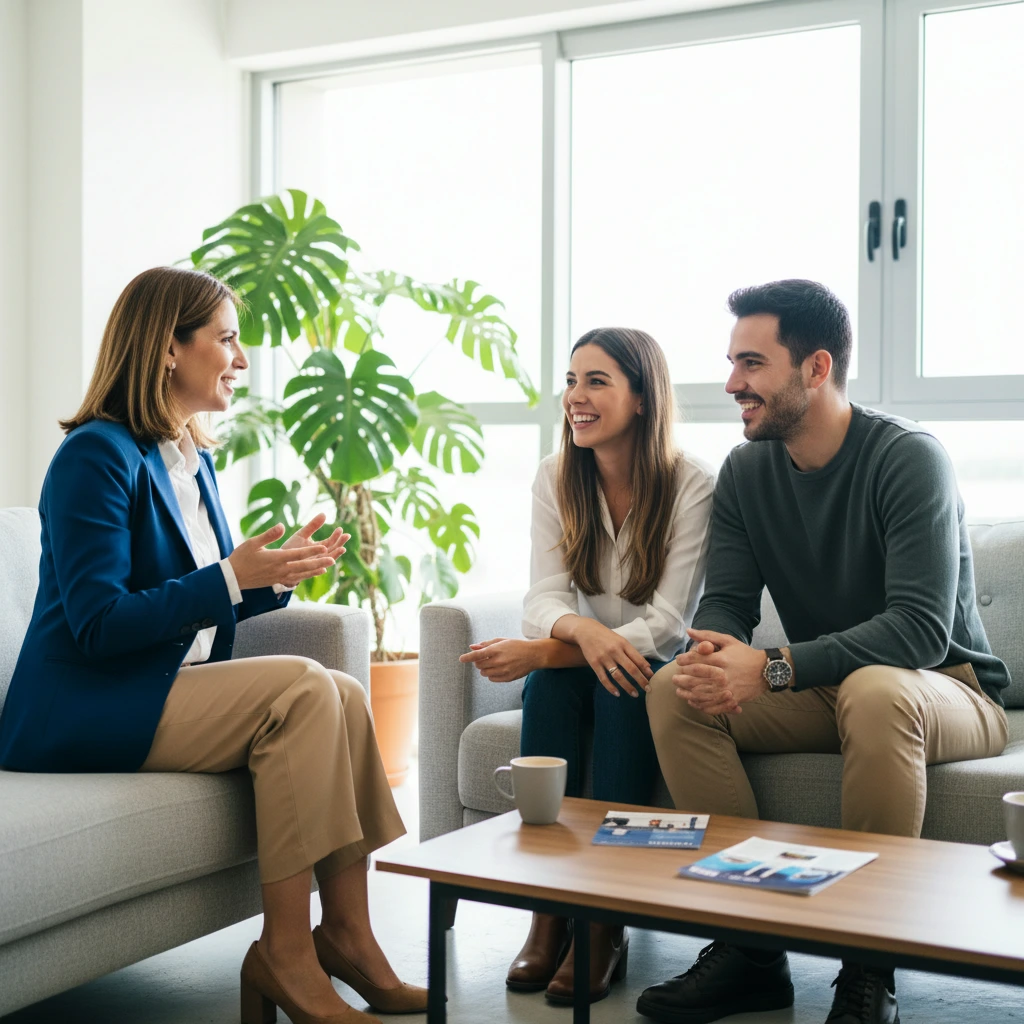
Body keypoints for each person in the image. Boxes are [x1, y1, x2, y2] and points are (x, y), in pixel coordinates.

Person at [0, 267, 427, 1024]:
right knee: (303, 687)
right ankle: (285, 955)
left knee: (345, 689)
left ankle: (350, 934)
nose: (242, 359)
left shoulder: (192, 458)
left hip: (161, 685)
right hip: (86, 703)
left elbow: (208, 593)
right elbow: (99, 622)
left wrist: (271, 575)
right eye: (226, 339)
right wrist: (231, 576)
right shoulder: (94, 457)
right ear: (169, 348)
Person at [636, 280, 1010, 1024]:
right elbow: (730, 601)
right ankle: (748, 950)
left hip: (948, 689)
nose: (733, 382)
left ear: (815, 368)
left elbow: (919, 630)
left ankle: (868, 965)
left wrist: (772, 667)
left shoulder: (907, 459)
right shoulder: (746, 472)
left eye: (752, 363)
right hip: (833, 689)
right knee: (673, 688)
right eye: (732, 362)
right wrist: (714, 653)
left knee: (876, 689)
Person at [459, 327, 715, 1005]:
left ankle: (603, 920)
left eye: (596, 381)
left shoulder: (692, 485)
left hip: (653, 663)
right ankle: (547, 915)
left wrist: (559, 645)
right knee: (550, 686)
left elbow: (666, 622)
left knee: (623, 687)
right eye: (571, 381)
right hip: (582, 660)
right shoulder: (555, 475)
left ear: (642, 397)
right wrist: (579, 640)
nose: (575, 397)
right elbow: (542, 596)